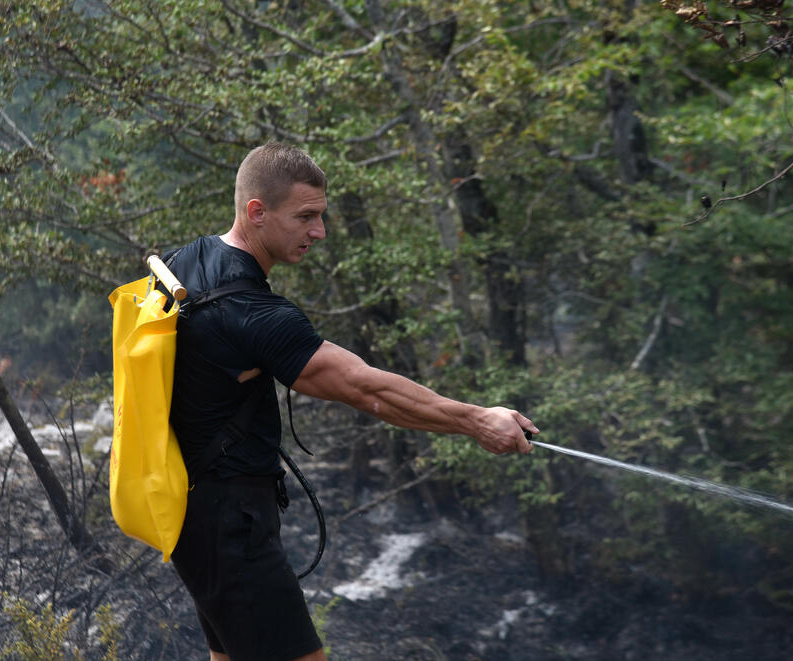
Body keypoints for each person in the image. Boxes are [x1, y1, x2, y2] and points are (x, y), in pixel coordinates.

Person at [165, 142, 538, 661]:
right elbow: (370, 390)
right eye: (306, 217)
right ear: (256, 212)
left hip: (190, 514)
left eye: (322, 215)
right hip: (232, 529)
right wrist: (477, 420)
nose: (319, 232)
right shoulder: (253, 313)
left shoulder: (183, 263)